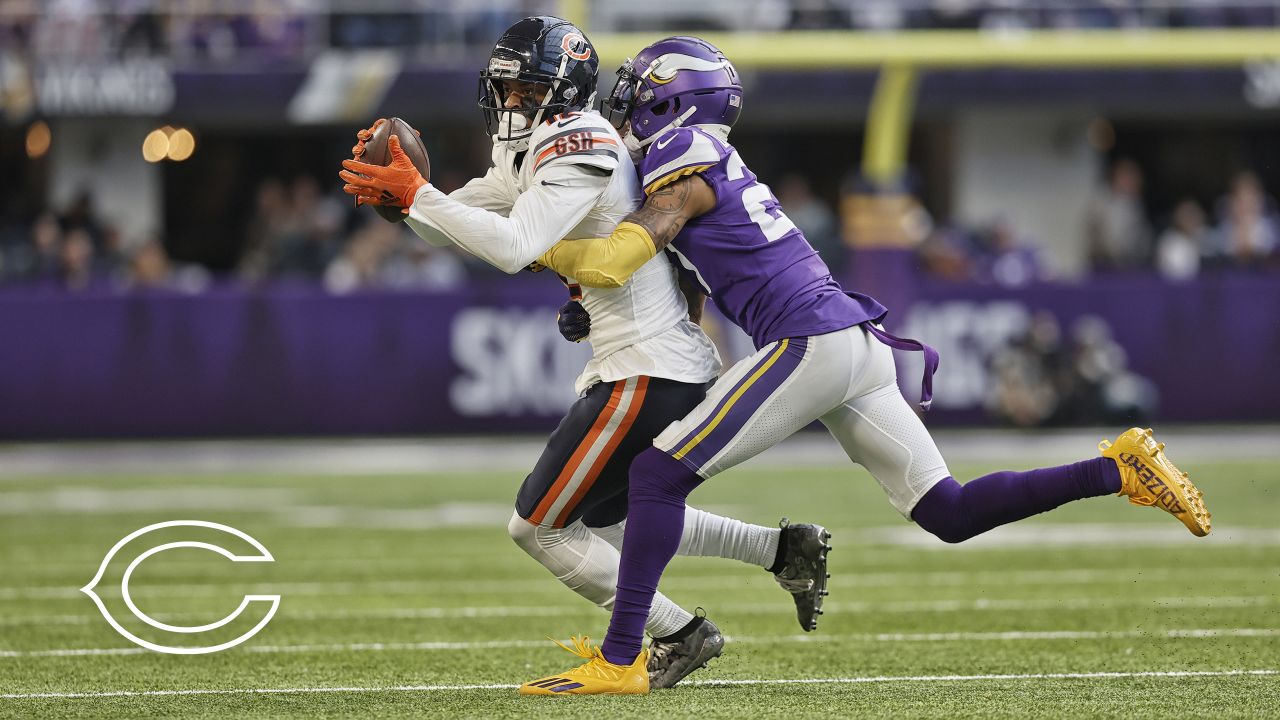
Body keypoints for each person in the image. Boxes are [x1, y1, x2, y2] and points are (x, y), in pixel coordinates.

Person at [519, 36, 1212, 695]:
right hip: (853, 342)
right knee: (950, 510)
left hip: (809, 342)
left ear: (673, 100)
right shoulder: (704, 160)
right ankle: (1120, 467)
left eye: (639, 89)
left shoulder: (680, 152)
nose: (626, 100)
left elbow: (637, 247)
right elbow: (689, 284)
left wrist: (544, 246)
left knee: (654, 474)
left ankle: (621, 658)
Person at [337, 17, 830, 689]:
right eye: (504, 88)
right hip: (636, 362)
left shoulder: (581, 140)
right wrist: (403, 206)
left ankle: (681, 633)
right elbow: (458, 226)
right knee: (612, 513)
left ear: (560, 93)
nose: (510, 102)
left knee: (537, 527)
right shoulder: (530, 143)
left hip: (647, 366)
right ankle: (781, 550)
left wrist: (415, 195)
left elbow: (511, 247)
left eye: (525, 89)